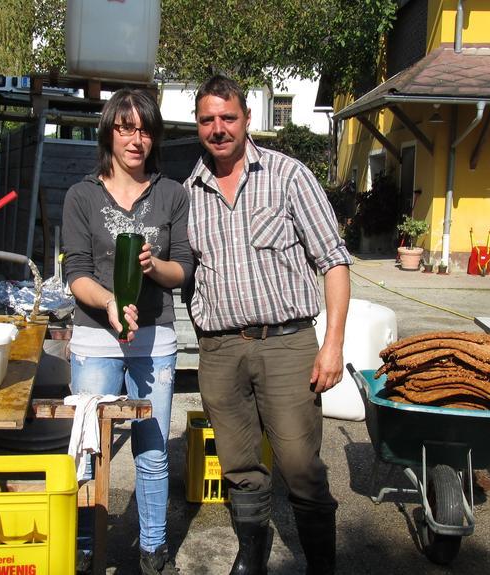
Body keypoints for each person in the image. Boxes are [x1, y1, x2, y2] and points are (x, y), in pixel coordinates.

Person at [183, 75, 352, 574]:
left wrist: (333, 344)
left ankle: (322, 564)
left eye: (227, 118)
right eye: (208, 120)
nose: (218, 129)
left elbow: (334, 261)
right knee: (238, 466)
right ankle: (250, 555)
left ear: (247, 119)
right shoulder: (186, 192)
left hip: (286, 345)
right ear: (198, 125)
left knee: (301, 466)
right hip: (219, 351)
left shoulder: (289, 176)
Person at [62, 88, 192, 575]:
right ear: (109, 132)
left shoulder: (172, 194)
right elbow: (75, 273)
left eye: (144, 129)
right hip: (95, 342)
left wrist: (153, 265)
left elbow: (184, 269)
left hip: (155, 340)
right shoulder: (81, 195)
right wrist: (112, 302)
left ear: (154, 136)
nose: (135, 139)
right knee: (87, 450)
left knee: (152, 448)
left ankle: (153, 549)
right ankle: (81, 545)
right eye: (125, 127)